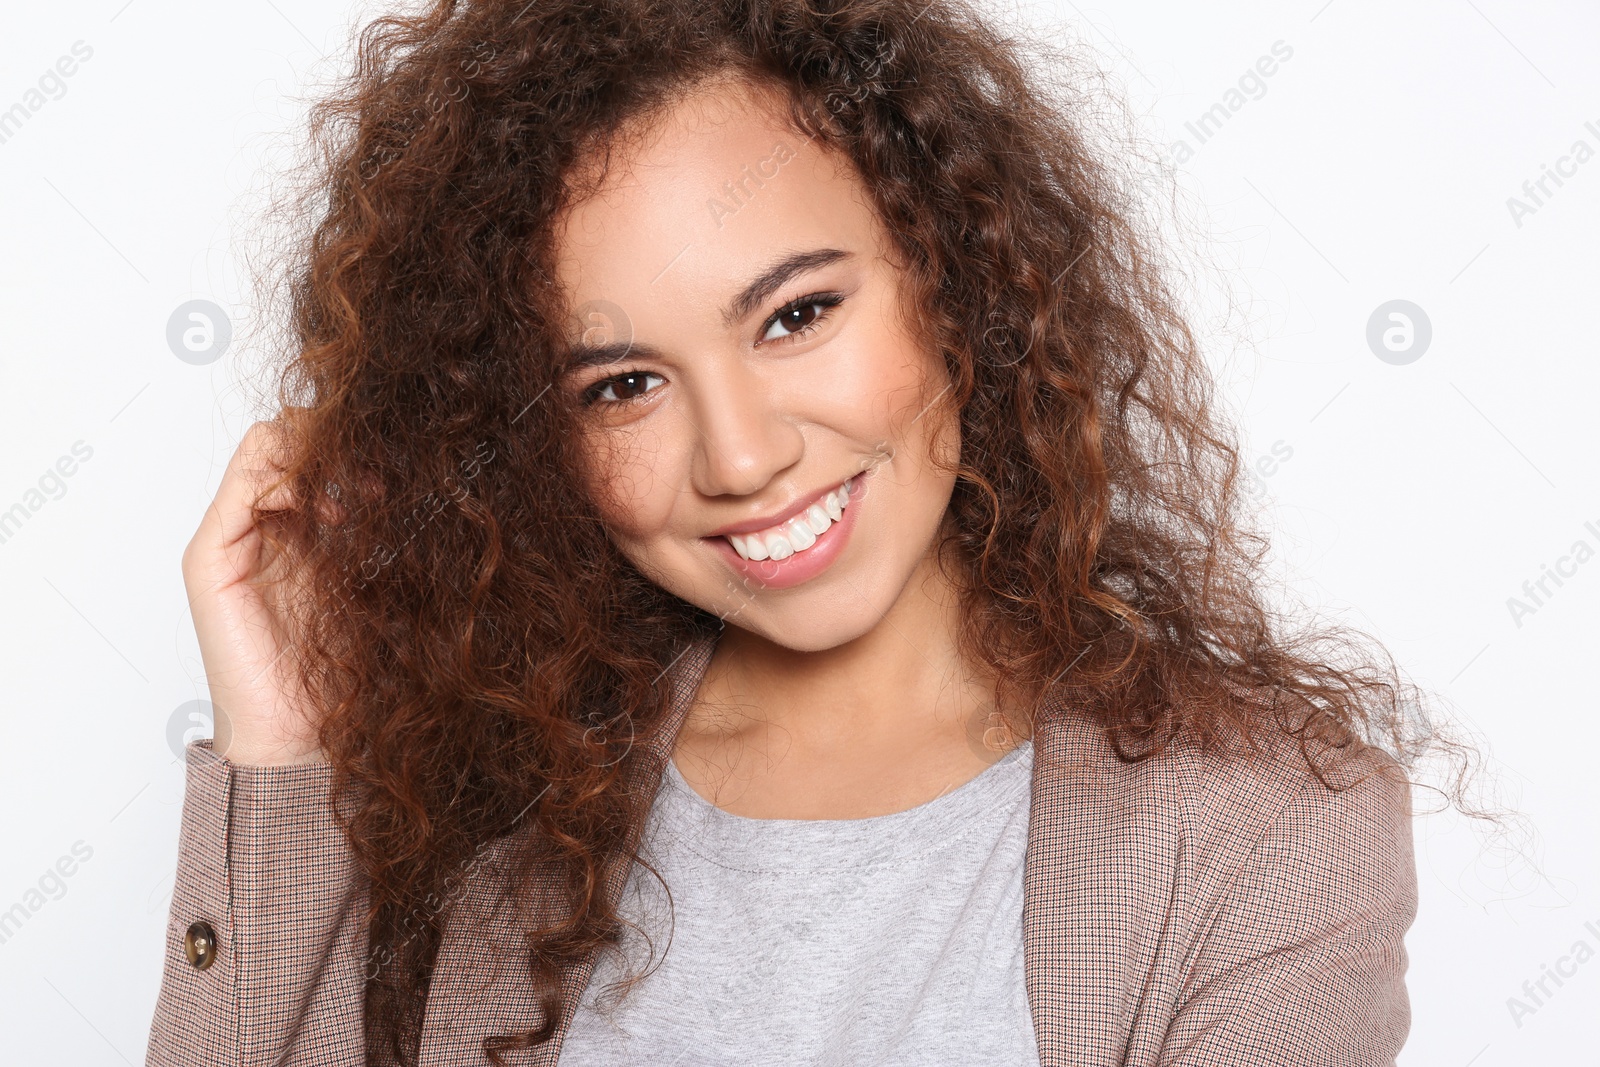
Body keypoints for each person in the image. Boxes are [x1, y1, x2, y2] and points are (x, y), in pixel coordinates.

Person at [144, 0, 1469, 1064]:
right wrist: (286, 759)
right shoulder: (494, 802)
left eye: (796, 316)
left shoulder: (1266, 829)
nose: (741, 456)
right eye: (621, 386)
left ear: (953, 277)